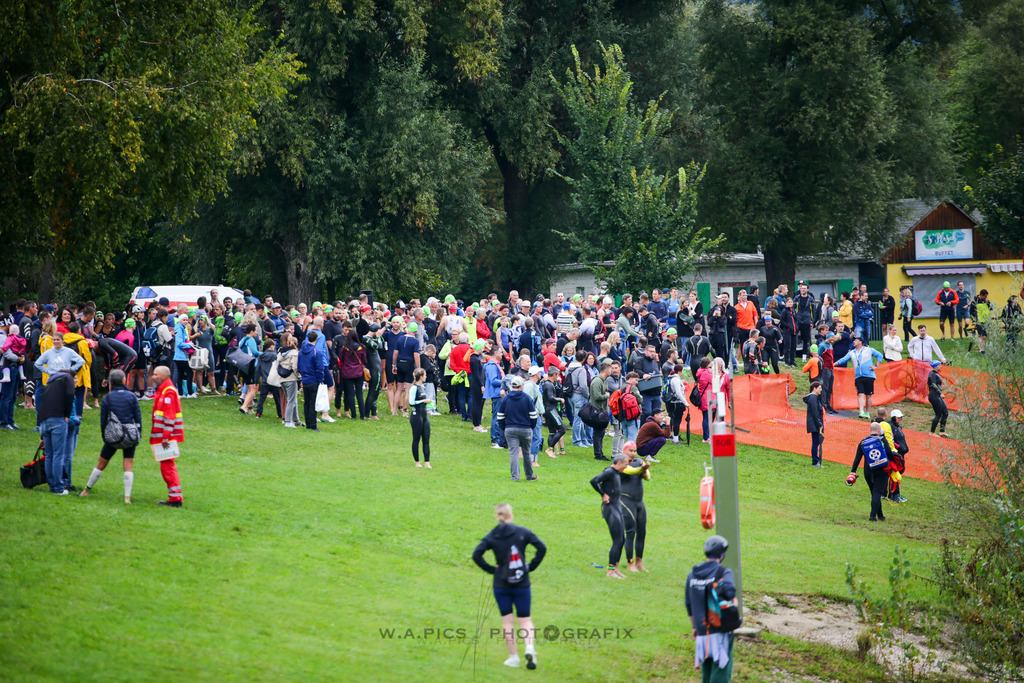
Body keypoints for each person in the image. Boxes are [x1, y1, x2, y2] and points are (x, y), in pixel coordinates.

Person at [472, 503, 546, 669]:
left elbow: (476, 554)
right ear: (510, 515)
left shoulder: (492, 536)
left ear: (496, 516)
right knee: (525, 620)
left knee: (507, 623)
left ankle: (513, 658)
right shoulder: (522, 532)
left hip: (501, 584)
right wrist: (530, 566)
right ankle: (529, 648)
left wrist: (492, 570)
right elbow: (542, 547)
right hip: (522, 582)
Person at [79, 369, 141, 503]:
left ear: (111, 383)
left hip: (113, 435)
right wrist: (138, 434)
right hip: (129, 434)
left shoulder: (108, 398)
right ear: (125, 381)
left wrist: (105, 436)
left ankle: (86, 490)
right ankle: (127, 497)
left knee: (101, 464)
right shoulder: (132, 397)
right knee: (128, 466)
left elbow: (103, 420)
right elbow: (138, 418)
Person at [685, 535, 738, 683]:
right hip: (720, 630)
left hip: (702, 632)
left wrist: (694, 626)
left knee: (707, 671)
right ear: (722, 555)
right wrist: (735, 601)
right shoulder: (723, 573)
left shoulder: (692, 575)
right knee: (721, 671)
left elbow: (688, 603)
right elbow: (730, 592)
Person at [36, 368, 77, 494]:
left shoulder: (50, 382)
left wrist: (41, 435)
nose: (76, 380)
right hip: (58, 420)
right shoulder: (67, 378)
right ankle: (59, 488)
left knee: (49, 455)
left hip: (44, 420)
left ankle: (52, 486)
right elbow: (70, 395)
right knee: (59, 454)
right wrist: (66, 414)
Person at [590, 454, 631, 578]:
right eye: (625, 464)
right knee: (617, 540)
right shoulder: (609, 472)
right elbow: (594, 481)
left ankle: (616, 569)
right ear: (619, 463)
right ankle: (610, 571)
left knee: (621, 539)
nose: (626, 466)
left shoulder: (616, 473)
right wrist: (603, 494)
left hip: (616, 507)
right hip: (610, 509)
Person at [149, 365, 184, 507]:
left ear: (163, 376)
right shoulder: (165, 389)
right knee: (167, 466)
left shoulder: (168, 391)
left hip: (165, 437)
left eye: (156, 374)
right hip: (164, 435)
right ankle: (175, 497)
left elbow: (169, 416)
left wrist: (166, 436)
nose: (153, 376)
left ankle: (175, 499)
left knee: (167, 467)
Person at [849, 422, 897, 522]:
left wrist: (853, 471)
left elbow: (857, 458)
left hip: (868, 471)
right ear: (879, 430)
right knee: (877, 492)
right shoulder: (882, 440)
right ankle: (872, 516)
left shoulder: (863, 442)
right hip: (881, 470)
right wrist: (893, 460)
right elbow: (889, 452)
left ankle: (880, 515)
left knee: (874, 492)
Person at [497, 375, 539, 482]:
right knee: (526, 453)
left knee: (513, 453)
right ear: (521, 386)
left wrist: (504, 428)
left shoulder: (506, 398)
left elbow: (500, 417)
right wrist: (530, 427)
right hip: (526, 429)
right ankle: (529, 476)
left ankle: (515, 477)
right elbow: (533, 416)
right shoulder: (527, 398)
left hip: (510, 429)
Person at [619, 442, 652, 572]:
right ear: (624, 451)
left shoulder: (639, 461)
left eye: (635, 451)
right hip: (627, 502)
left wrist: (644, 471)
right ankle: (630, 563)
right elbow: (630, 471)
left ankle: (639, 562)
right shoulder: (620, 462)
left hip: (639, 502)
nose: (633, 453)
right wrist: (642, 469)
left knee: (642, 532)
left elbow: (648, 477)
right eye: (630, 451)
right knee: (631, 533)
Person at [833, 336, 884, 419]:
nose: (854, 342)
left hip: (869, 376)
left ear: (860, 342)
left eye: (856, 340)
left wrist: (876, 366)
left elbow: (880, 355)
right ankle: (861, 411)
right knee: (860, 393)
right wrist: (834, 364)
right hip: (858, 377)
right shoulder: (852, 352)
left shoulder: (868, 350)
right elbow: (844, 359)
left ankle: (867, 412)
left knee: (868, 395)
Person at [299, 330, 325, 431]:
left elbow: (299, 365)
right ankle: (313, 425)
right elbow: (319, 367)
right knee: (313, 403)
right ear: (316, 339)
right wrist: (320, 379)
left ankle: (308, 423)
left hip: (305, 379)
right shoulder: (316, 352)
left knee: (307, 402)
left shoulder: (302, 351)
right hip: (313, 379)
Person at [588, 358, 613, 460]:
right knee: (598, 433)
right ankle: (598, 454)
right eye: (610, 369)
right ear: (606, 371)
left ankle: (600, 453)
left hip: (603, 411)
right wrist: (606, 396)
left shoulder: (604, 381)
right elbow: (597, 396)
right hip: (597, 411)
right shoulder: (597, 381)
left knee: (601, 433)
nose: (611, 372)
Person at [408, 368, 432, 468]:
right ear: (421, 376)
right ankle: (417, 462)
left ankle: (427, 462)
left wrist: (429, 403)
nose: (426, 377)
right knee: (416, 439)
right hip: (416, 416)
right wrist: (423, 401)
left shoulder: (422, 386)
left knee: (426, 439)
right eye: (425, 375)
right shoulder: (414, 388)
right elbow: (411, 402)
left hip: (424, 415)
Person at [541, 366, 566, 457]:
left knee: (552, 431)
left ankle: (550, 450)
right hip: (550, 409)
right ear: (554, 374)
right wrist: (560, 400)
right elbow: (551, 398)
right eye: (557, 374)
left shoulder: (546, 384)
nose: (558, 376)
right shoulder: (549, 384)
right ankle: (550, 448)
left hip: (547, 410)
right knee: (562, 429)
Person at [277, 333, 301, 428]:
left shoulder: (280, 352)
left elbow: (277, 364)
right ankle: (288, 421)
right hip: (291, 378)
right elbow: (295, 367)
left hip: (282, 378)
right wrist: (299, 376)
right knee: (291, 400)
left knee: (292, 399)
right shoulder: (294, 353)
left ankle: (296, 420)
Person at [888, 409, 909, 503]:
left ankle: (895, 494)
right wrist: (898, 448)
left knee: (898, 474)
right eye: (898, 417)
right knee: (895, 474)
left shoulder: (898, 427)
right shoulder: (891, 427)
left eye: (901, 417)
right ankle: (894, 494)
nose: (900, 418)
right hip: (895, 454)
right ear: (894, 417)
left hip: (900, 454)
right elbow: (891, 440)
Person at [803, 381, 825, 467]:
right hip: (815, 424)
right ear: (814, 388)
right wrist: (819, 424)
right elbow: (815, 412)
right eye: (819, 388)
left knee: (816, 442)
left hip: (815, 423)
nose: (821, 390)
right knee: (816, 443)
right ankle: (815, 462)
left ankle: (816, 461)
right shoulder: (813, 398)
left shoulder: (815, 398)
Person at [666, 364, 690, 444]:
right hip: (677, 403)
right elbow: (678, 392)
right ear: (679, 371)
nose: (683, 372)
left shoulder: (673, 378)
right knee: (677, 421)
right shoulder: (676, 380)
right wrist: (685, 402)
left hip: (673, 402)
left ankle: (673, 436)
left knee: (674, 420)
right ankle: (675, 439)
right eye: (683, 370)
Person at [927, 361, 949, 437]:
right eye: (939, 365)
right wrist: (940, 393)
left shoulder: (936, 374)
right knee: (938, 414)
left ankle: (942, 431)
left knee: (945, 412)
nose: (941, 366)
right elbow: (933, 384)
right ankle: (932, 432)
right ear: (935, 367)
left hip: (937, 395)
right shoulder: (932, 374)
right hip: (934, 395)